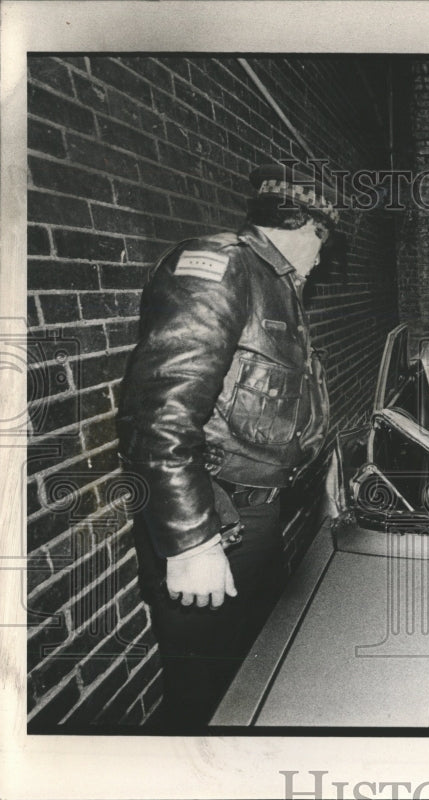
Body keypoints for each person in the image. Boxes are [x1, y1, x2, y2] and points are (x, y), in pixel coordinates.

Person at [117, 163, 338, 728]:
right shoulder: (221, 268)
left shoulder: (275, 282)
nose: (321, 260)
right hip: (217, 520)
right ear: (314, 228)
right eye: (324, 245)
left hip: (256, 515)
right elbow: (159, 416)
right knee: (207, 694)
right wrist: (192, 543)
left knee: (251, 684)